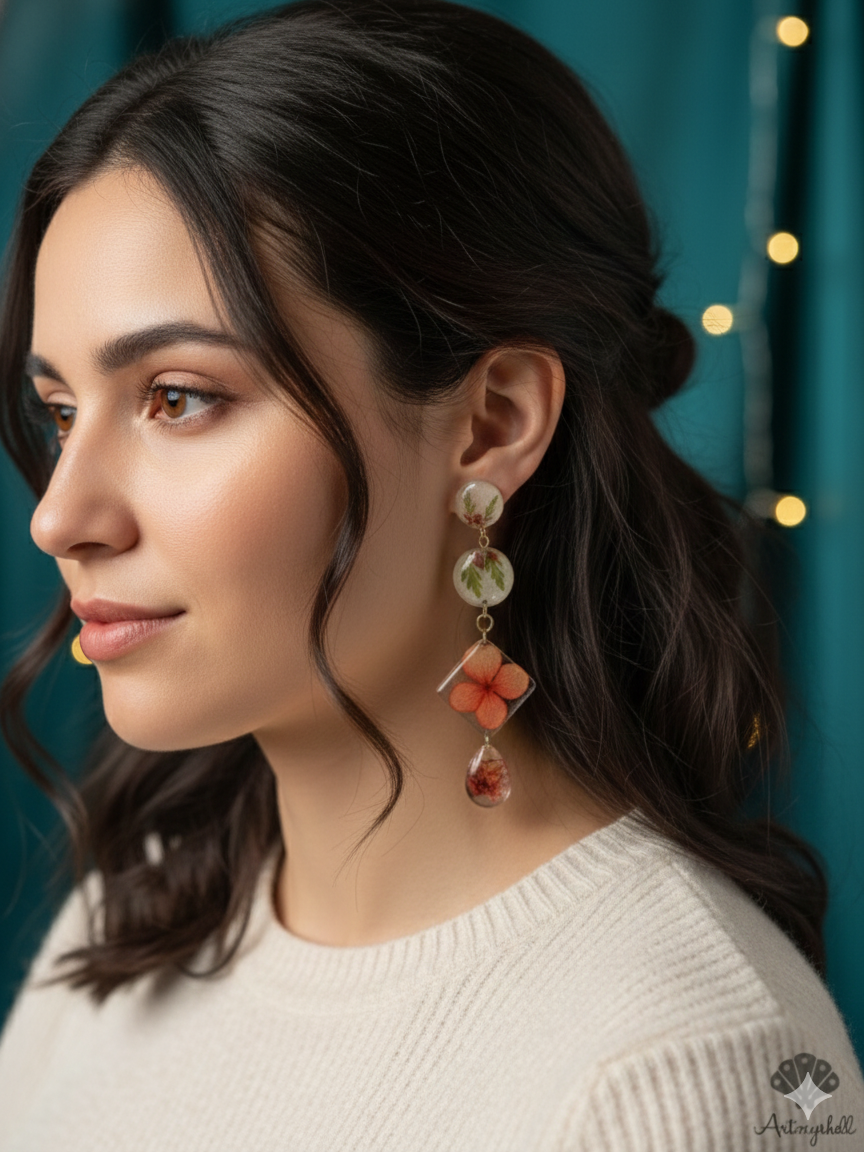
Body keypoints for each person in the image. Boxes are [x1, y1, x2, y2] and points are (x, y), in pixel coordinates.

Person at [0, 1, 861, 1148]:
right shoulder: (133, 926)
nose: (61, 516)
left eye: (177, 398)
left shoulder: (682, 1069)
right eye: (61, 410)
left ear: (493, 420)